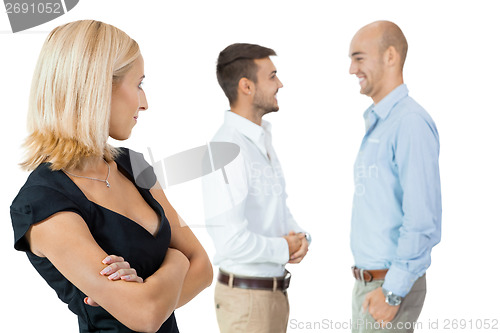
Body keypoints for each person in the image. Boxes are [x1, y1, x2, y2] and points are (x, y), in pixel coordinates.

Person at [10, 20, 213, 333]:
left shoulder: (135, 166)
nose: (145, 103)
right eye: (139, 84)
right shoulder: (41, 204)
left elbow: (204, 268)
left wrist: (155, 284)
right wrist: (177, 262)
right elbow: (145, 315)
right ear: (98, 87)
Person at [202, 43, 311, 333]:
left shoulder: (261, 138)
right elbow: (229, 240)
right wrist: (283, 248)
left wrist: (300, 237)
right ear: (246, 86)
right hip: (247, 304)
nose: (280, 84)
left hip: (271, 297)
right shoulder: (226, 149)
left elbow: (275, 207)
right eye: (272, 76)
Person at [348, 21, 442, 332]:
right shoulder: (382, 123)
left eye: (359, 58)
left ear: (390, 56)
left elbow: (422, 219)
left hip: (388, 287)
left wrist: (392, 292)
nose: (352, 69)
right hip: (373, 286)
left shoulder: (409, 123)